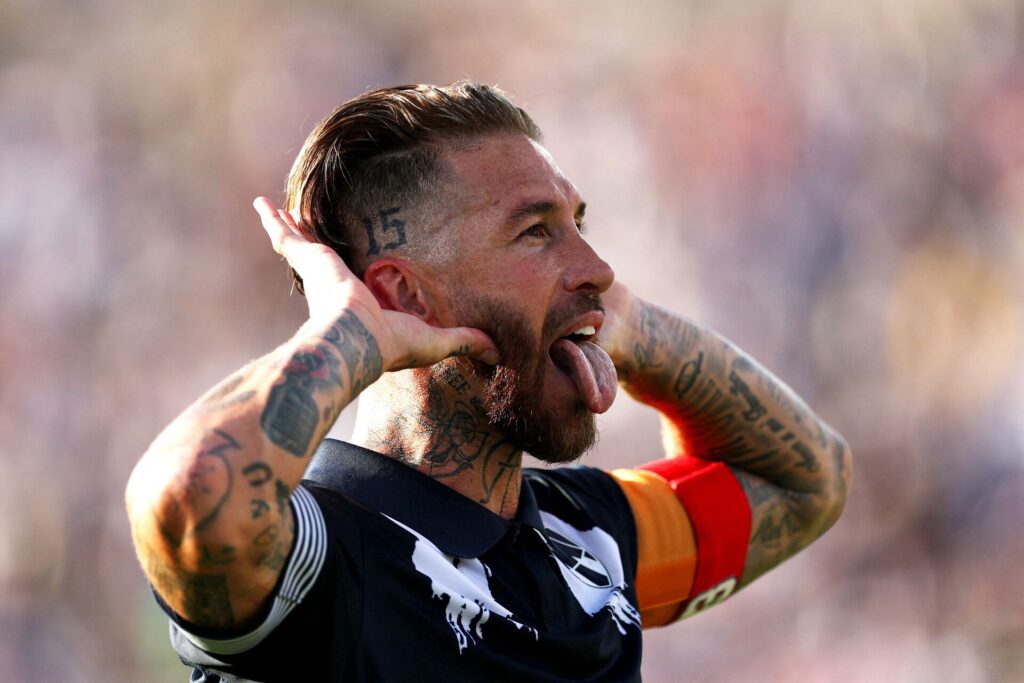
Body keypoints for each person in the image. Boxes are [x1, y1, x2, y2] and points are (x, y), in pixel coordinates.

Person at [125, 82, 851, 682]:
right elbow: (190, 498)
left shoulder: (588, 536)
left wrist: (630, 327)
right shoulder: (329, 556)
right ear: (408, 298)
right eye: (536, 232)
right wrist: (347, 334)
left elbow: (805, 482)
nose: (598, 267)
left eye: (578, 224)